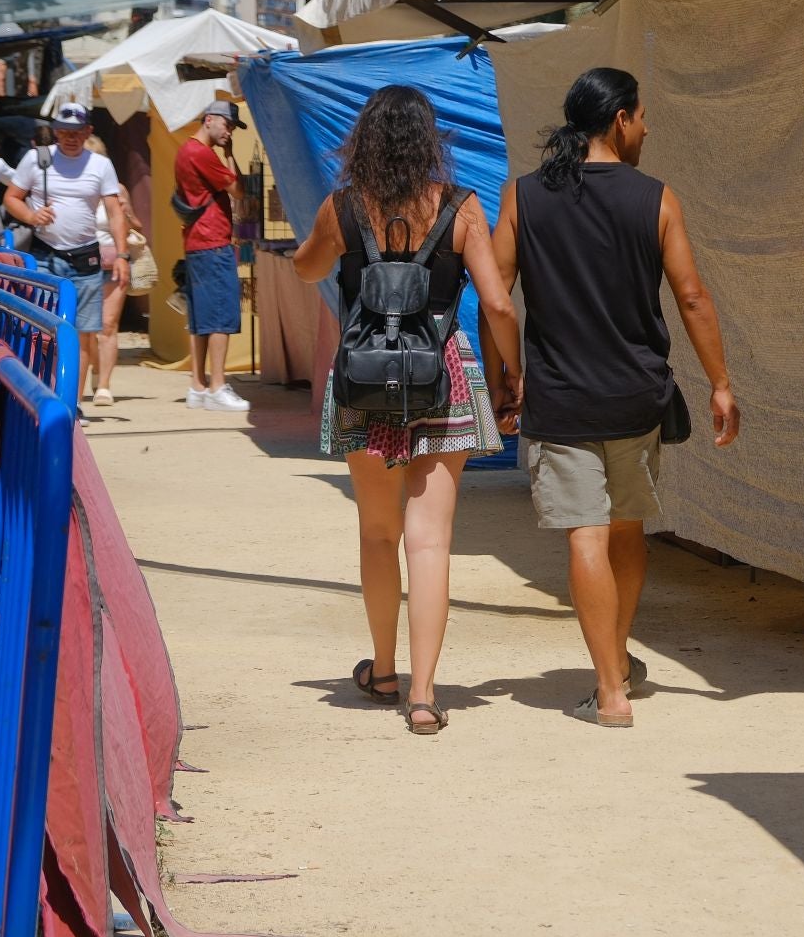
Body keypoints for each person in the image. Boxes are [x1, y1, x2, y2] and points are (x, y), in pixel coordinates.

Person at [483, 67, 740, 729]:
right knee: (626, 530)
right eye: (643, 117)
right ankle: (617, 662)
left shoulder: (524, 198)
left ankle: (611, 688)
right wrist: (720, 382)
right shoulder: (655, 198)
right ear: (620, 119)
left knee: (585, 534)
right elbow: (691, 297)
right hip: (636, 396)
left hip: (562, 398)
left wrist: (504, 376)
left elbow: (495, 295)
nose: (647, 129)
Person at [294, 85, 521, 735]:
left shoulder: (343, 207)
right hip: (442, 376)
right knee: (430, 542)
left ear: (364, 140)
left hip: (365, 382)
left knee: (376, 533)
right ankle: (423, 696)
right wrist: (513, 375)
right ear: (429, 141)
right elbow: (499, 306)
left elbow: (308, 266)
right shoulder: (460, 207)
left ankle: (385, 670)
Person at [4, 103, 129, 396]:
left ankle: (73, 400)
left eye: (76, 131)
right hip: (46, 253)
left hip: (85, 257)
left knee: (83, 334)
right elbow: (12, 197)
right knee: (44, 329)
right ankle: (44, 392)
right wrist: (31, 216)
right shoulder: (36, 159)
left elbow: (115, 212)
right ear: (55, 131)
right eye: (63, 130)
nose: (69, 136)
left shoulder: (100, 165)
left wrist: (122, 255)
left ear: (88, 131)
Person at [175, 101, 249, 413]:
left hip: (197, 242)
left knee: (202, 318)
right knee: (221, 314)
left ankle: (198, 385)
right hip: (213, 242)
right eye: (227, 124)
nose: (229, 131)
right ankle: (217, 385)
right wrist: (230, 154)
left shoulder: (185, 151)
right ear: (209, 120)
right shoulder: (201, 153)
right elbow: (238, 189)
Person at [85, 180, 134, 408]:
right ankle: (96, 368)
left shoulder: (118, 190)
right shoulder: (70, 188)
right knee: (86, 329)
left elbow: (137, 227)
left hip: (113, 263)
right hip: (82, 263)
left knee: (108, 325)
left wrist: (126, 213)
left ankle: (104, 385)